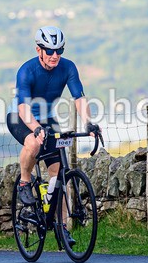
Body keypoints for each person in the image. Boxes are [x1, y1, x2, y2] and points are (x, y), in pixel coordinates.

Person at [7, 26, 100, 243]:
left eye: (59, 50)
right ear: (38, 50)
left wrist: (89, 122)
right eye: (49, 51)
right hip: (20, 116)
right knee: (33, 144)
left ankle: (60, 226)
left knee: (59, 174)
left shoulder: (68, 67)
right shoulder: (26, 71)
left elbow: (79, 98)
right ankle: (24, 182)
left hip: (48, 118)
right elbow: (23, 108)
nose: (55, 55)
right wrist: (36, 129)